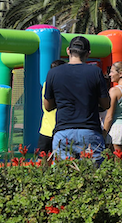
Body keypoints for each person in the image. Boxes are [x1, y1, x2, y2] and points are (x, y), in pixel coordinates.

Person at [44, 36, 110, 164]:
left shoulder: (53, 73)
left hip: (63, 131)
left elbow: (48, 106)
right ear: (88, 53)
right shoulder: (95, 72)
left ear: (68, 51)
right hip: (90, 131)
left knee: (64, 179)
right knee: (94, 178)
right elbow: (105, 104)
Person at [38, 59, 66, 163]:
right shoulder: (62, 86)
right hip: (60, 129)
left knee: (44, 160)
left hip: (47, 130)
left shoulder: (47, 84)